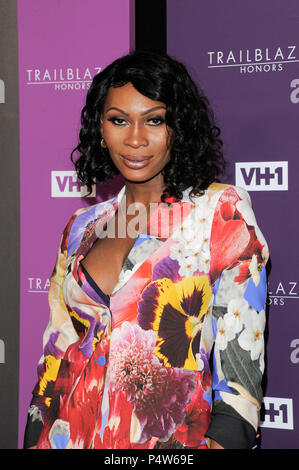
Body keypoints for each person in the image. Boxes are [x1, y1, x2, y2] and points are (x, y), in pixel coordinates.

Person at [24, 50, 269, 449]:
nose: (135, 138)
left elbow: (240, 383)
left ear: (179, 128)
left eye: (154, 120)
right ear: (100, 130)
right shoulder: (82, 226)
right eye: (118, 120)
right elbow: (53, 363)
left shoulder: (219, 212)